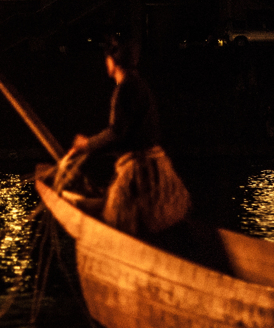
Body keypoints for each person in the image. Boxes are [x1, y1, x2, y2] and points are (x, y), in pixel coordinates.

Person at [66, 37, 191, 238]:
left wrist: (86, 144)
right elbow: (127, 133)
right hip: (153, 166)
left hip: (138, 170)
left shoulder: (124, 89)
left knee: (118, 222)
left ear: (112, 62)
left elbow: (117, 133)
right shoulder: (140, 85)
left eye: (106, 59)